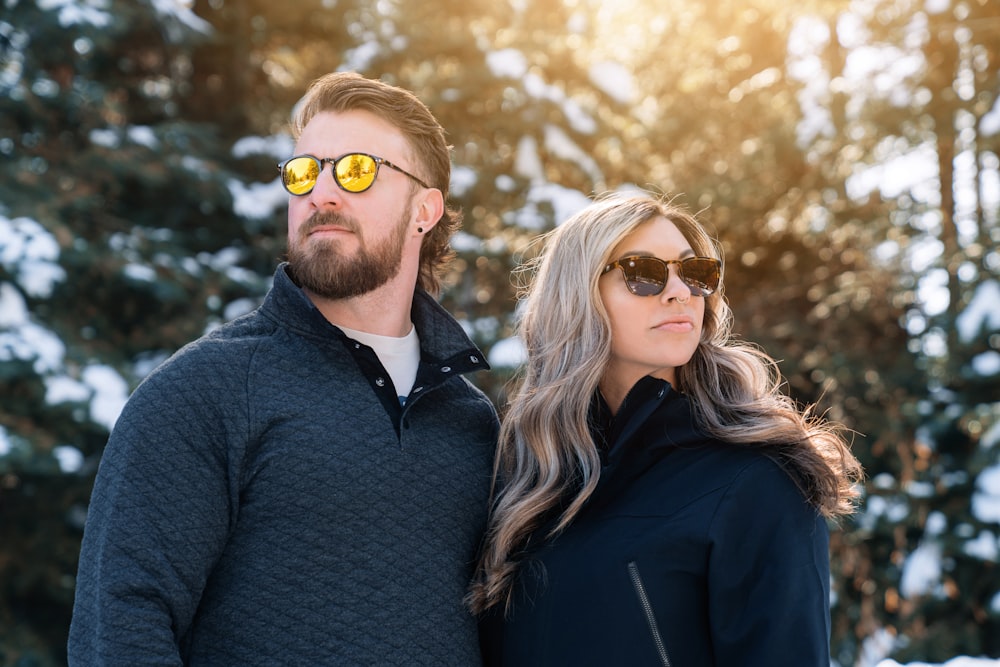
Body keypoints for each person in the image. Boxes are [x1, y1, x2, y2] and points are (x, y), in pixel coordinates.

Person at [69, 72, 499, 665]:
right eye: (303, 173)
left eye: (355, 170)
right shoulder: (205, 393)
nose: (321, 192)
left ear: (425, 208)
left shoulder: (472, 423)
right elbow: (117, 627)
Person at [468, 191, 863, 666]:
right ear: (577, 295)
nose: (680, 292)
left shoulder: (755, 481)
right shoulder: (528, 482)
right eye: (643, 273)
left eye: (695, 273)